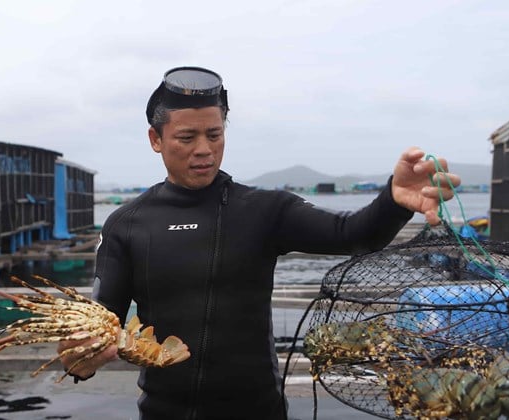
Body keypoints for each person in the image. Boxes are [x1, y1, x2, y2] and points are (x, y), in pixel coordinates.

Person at [57, 66, 461, 420]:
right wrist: (81, 361)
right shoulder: (127, 224)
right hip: (163, 412)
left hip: (258, 409)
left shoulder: (264, 210)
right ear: (155, 139)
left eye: (214, 134)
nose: (204, 149)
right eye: (186, 137)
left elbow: (354, 234)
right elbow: (100, 323)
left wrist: (394, 200)